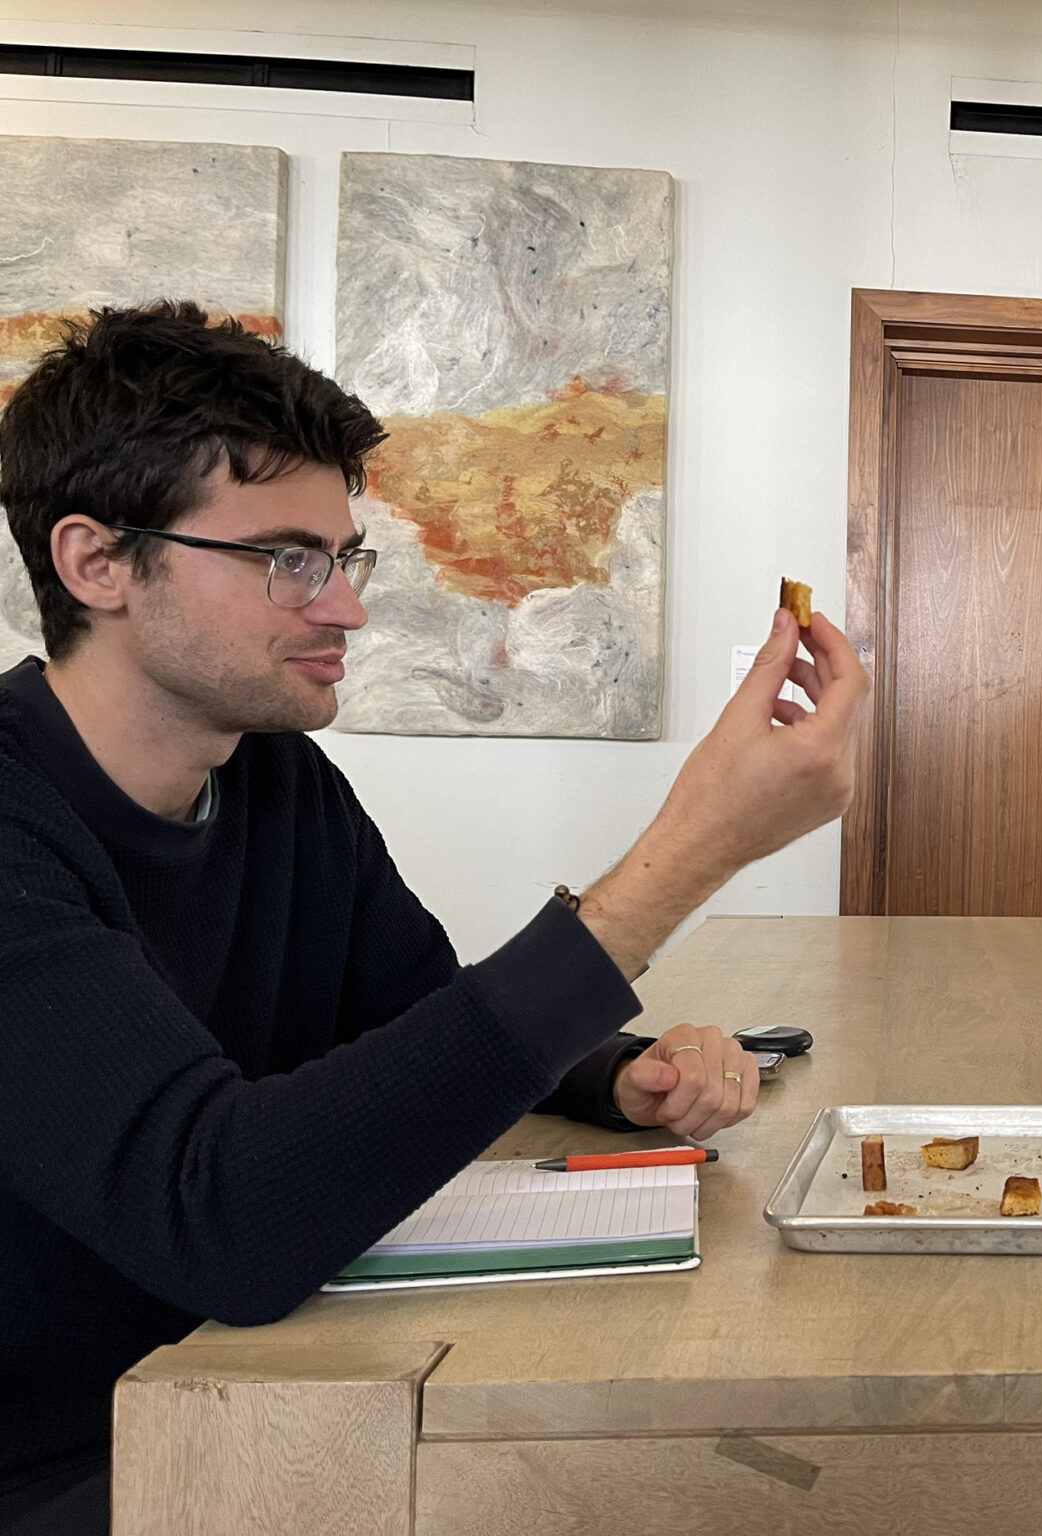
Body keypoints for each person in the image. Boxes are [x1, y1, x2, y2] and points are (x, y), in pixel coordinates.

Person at [0, 303, 869, 1535]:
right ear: (98, 563)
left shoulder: (280, 784)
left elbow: (417, 1012)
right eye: (286, 560)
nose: (346, 611)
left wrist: (618, 1079)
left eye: (345, 560)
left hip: (279, 1387)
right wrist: (687, 855)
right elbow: (220, 1215)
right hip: (86, 1457)